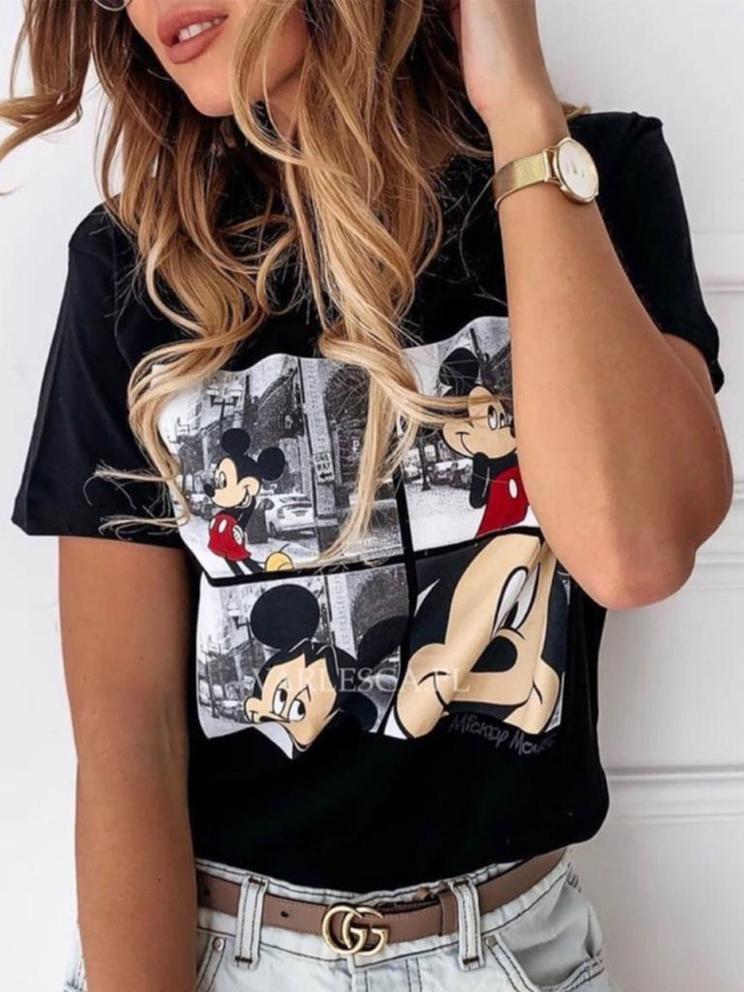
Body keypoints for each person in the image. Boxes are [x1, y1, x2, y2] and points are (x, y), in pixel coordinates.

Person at [2, 1, 732, 990]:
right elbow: (132, 741)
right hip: (226, 956)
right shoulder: (135, 266)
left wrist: (520, 113)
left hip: (513, 952)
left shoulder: (585, 176)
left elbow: (633, 552)